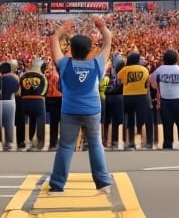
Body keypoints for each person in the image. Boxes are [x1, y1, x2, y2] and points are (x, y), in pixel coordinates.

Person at [47, 15, 113, 194]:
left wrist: (61, 31)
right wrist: (102, 27)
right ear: (90, 49)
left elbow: (53, 40)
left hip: (69, 110)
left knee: (66, 146)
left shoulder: (64, 64)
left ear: (70, 49)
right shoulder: (97, 64)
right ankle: (103, 182)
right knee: (95, 143)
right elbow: (108, 43)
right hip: (92, 109)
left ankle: (57, 184)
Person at [150, 49, 179, 150]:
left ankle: (168, 144)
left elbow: (152, 81)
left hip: (165, 100)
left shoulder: (159, 70)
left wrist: (158, 88)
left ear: (164, 59)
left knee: (167, 124)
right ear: (177, 59)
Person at [118, 51, 153, 150]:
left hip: (127, 96)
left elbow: (119, 81)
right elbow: (147, 86)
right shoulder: (144, 70)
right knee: (145, 119)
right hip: (141, 96)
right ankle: (148, 142)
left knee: (129, 119)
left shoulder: (124, 70)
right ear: (137, 60)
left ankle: (130, 142)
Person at [19, 58, 48, 151]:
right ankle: (40, 143)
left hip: (25, 101)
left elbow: (19, 91)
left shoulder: (23, 75)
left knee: (31, 121)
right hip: (38, 101)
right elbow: (45, 90)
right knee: (40, 121)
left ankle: (30, 141)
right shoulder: (42, 76)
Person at [0, 61, 19, 151]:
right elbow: (17, 91)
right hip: (10, 102)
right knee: (9, 124)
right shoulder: (14, 79)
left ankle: (0, 141)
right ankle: (9, 142)